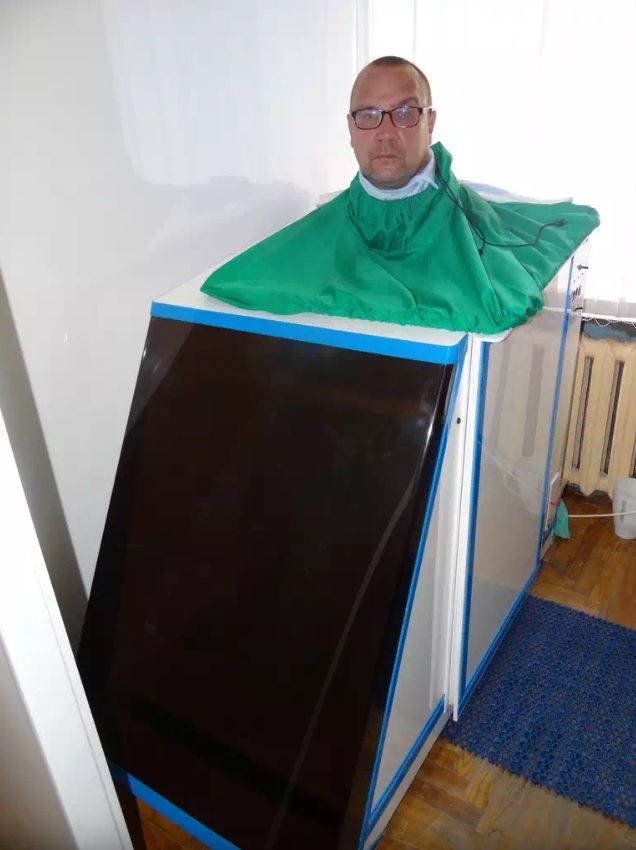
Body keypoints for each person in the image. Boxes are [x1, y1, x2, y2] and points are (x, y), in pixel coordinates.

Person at [347, 57, 437, 198]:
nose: (386, 134)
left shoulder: (471, 212)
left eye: (404, 114)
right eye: (369, 116)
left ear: (430, 123)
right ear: (351, 129)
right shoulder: (328, 213)